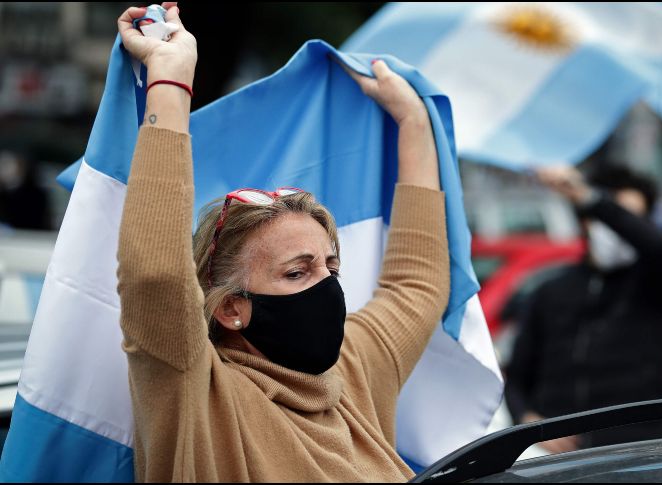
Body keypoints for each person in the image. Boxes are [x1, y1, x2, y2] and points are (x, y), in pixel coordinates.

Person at [116, 3, 449, 482]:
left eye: (330, 268)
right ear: (231, 308)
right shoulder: (196, 394)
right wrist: (170, 82)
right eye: (297, 271)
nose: (328, 288)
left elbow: (418, 285)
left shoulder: (349, 370)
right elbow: (155, 273)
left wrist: (414, 126)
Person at [504, 164, 662, 453]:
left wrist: (591, 198)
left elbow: (661, 249)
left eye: (627, 218)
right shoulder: (550, 292)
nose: (617, 226)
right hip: (558, 457)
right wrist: (528, 421)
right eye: (609, 215)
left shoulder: (655, 283)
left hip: (637, 451)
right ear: (585, 222)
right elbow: (516, 377)